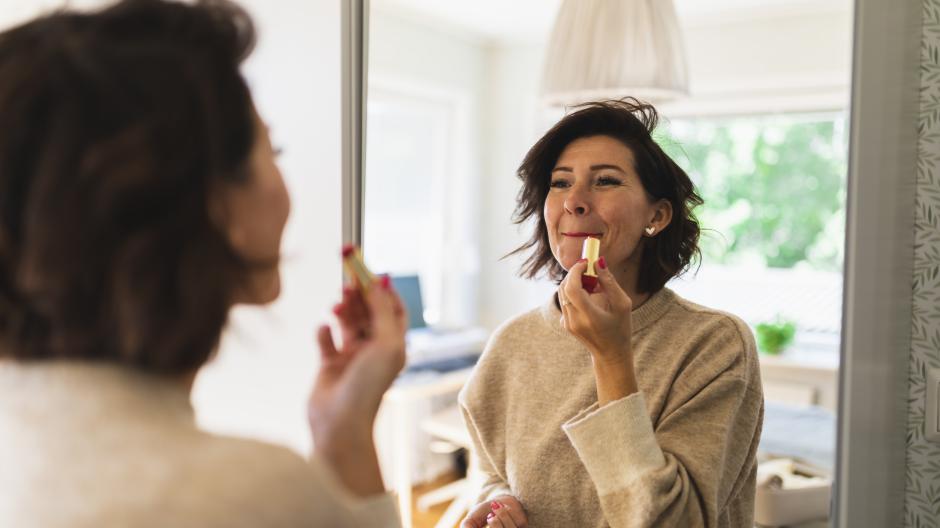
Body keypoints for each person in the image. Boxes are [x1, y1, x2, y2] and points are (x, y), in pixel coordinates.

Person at [0, 1, 404, 526]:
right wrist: (349, 441)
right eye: (273, 150)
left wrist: (340, 428)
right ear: (217, 203)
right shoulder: (255, 495)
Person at [459, 99, 764, 528]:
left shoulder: (715, 344)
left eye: (604, 181)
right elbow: (493, 469)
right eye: (560, 183)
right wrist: (496, 503)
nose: (575, 202)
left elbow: (673, 522)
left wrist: (612, 359)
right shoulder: (511, 343)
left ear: (656, 216)